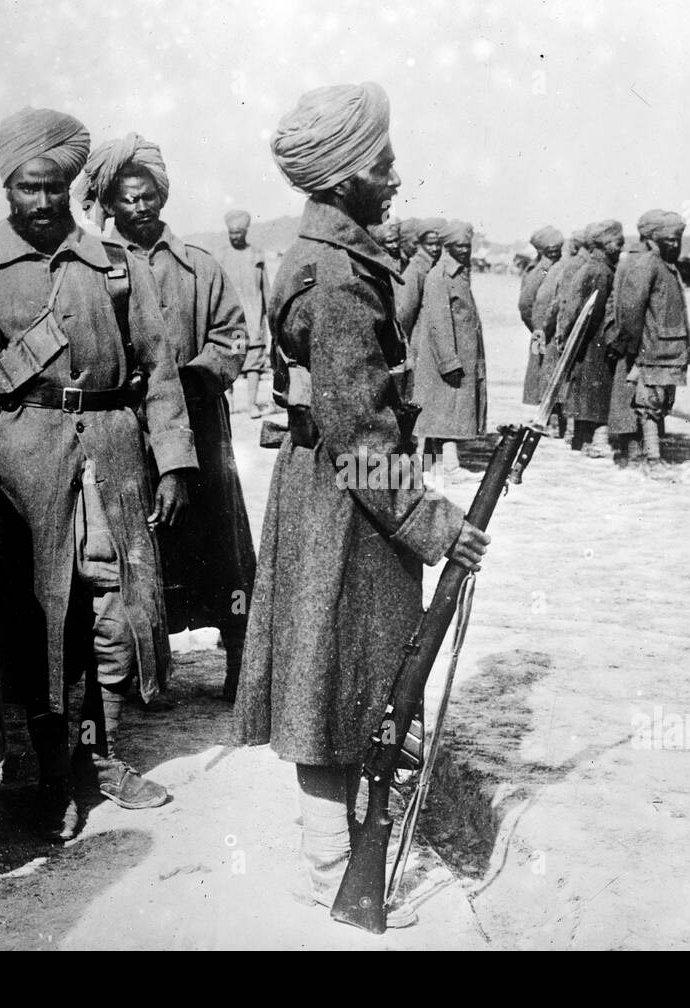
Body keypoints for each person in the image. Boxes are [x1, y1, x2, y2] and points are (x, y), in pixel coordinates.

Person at [235, 82, 490, 925]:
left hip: (339, 499)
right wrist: (433, 526)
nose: (394, 177)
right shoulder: (339, 277)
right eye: (382, 164)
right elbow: (362, 438)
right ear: (345, 175)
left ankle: (342, 858)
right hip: (349, 507)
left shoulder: (331, 258)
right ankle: (332, 871)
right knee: (329, 679)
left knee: (345, 675)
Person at [0, 107, 198, 840]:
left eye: (52, 187)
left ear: (71, 184)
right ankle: (50, 772)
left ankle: (101, 758)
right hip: (31, 455)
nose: (41, 202)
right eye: (26, 188)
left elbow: (160, 371)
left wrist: (172, 462)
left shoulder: (117, 266)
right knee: (45, 615)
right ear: (7, 190)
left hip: (114, 451)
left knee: (116, 609)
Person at [78, 132, 256, 703]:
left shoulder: (201, 267)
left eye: (149, 195)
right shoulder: (91, 270)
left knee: (222, 551)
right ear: (109, 204)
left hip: (201, 430)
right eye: (128, 198)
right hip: (129, 434)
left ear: (163, 196)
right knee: (139, 550)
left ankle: (239, 660)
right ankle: (139, 676)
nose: (141, 206)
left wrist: (195, 379)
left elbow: (232, 339)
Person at [614, 209, 690, 473]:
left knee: (660, 404)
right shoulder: (646, 264)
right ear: (651, 238)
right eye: (668, 239)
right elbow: (631, 311)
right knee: (649, 405)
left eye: (677, 239)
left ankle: (653, 454)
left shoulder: (667, 267)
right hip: (653, 350)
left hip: (670, 350)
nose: (674, 244)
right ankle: (652, 459)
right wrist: (635, 348)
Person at [412, 219, 487, 486]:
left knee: (442, 413)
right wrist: (449, 361)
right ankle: (448, 467)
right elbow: (437, 323)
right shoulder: (439, 276)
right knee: (446, 412)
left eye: (467, 246)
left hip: (459, 357)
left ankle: (433, 468)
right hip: (446, 360)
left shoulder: (459, 274)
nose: (465, 251)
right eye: (458, 246)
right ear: (447, 245)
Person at [558, 220, 624, 455]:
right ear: (605, 243)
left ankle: (582, 440)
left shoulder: (593, 267)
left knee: (586, 392)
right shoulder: (601, 271)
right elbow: (591, 312)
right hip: (594, 343)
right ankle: (596, 442)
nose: (621, 246)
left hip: (586, 343)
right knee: (596, 394)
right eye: (618, 241)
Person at [215, 209, 271, 417]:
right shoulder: (221, 256)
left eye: (239, 232)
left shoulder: (256, 254)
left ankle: (251, 404)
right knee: (231, 358)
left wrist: (269, 313)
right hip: (232, 320)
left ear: (246, 231)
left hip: (254, 317)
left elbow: (266, 288)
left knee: (254, 361)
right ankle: (229, 402)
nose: (235, 236)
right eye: (232, 232)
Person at [530, 227, 583, 434]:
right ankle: (554, 424)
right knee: (553, 377)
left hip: (556, 330)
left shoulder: (563, 266)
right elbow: (534, 303)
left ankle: (559, 425)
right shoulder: (549, 269)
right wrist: (540, 329)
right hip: (552, 332)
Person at [519, 224, 563, 407]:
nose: (554, 253)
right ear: (540, 250)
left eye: (556, 250)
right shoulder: (539, 271)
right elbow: (525, 305)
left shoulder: (560, 266)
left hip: (549, 329)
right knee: (541, 368)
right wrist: (538, 328)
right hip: (541, 331)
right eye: (549, 250)